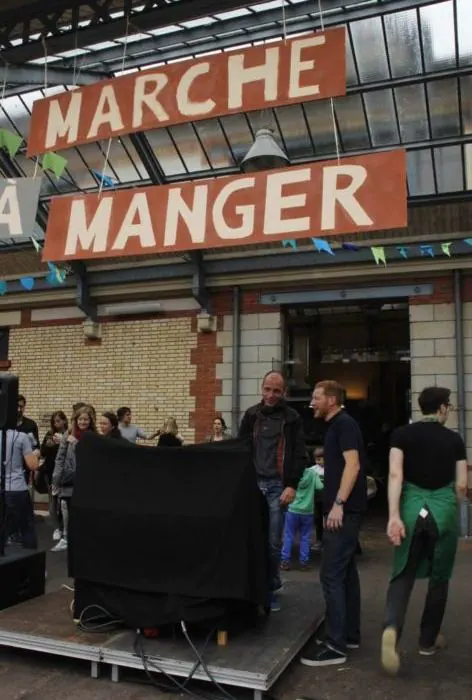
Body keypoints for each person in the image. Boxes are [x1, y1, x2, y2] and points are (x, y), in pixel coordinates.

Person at [381, 386, 467, 676]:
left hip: (410, 509)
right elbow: (462, 486)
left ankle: (392, 628)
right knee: (439, 578)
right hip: (442, 513)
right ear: (442, 408)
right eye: (449, 406)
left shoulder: (401, 435)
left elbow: (395, 474)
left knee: (402, 573)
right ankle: (427, 641)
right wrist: (450, 508)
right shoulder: (455, 440)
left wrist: (394, 516)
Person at [301, 380, 367, 667]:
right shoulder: (338, 426)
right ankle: (348, 634)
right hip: (344, 510)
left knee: (331, 575)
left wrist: (338, 504)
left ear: (331, 399)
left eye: (316, 397)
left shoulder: (344, 424)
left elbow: (353, 465)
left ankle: (335, 645)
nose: (312, 402)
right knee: (346, 573)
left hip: (344, 511)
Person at [238, 371, 306, 612]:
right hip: (254, 484)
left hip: (278, 486)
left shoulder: (292, 418)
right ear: (261, 388)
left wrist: (292, 484)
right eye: (268, 389)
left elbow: (299, 453)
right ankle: (256, 587)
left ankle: (270, 588)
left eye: (276, 390)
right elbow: (241, 448)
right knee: (251, 539)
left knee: (273, 543)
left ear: (283, 392)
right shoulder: (251, 415)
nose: (271, 395)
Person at [51, 405, 97, 552]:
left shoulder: (92, 436)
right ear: (75, 420)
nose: (83, 422)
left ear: (90, 421)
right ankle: (65, 537)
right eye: (80, 419)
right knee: (65, 507)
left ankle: (83, 538)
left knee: (83, 510)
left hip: (85, 479)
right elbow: (60, 458)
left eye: (86, 419)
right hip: (69, 478)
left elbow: (90, 456)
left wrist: (76, 444)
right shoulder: (68, 434)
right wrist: (55, 480)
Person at [0, 428, 39, 549]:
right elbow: (33, 465)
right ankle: (31, 563)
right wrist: (35, 454)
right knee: (26, 528)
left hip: (3, 488)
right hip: (17, 489)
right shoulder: (22, 437)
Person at [281, 464, 323, 571]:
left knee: (289, 536)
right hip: (308, 511)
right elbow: (320, 487)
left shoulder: (292, 475)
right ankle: (304, 562)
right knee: (305, 537)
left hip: (292, 509)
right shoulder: (313, 473)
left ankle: (285, 561)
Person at [40, 411, 69, 543]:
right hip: (50, 471)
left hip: (66, 473)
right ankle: (56, 528)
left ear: (64, 421)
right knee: (53, 500)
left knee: (64, 502)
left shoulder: (68, 434)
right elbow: (42, 452)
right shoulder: (50, 434)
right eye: (54, 421)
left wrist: (62, 442)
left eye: (59, 420)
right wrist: (48, 445)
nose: (56, 424)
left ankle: (64, 527)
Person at [312, 445, 325, 554]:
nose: (318, 462)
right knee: (318, 520)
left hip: (328, 500)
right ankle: (319, 539)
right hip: (317, 501)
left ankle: (328, 541)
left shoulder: (331, 469)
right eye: (316, 459)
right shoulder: (313, 470)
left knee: (327, 521)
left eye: (320, 459)